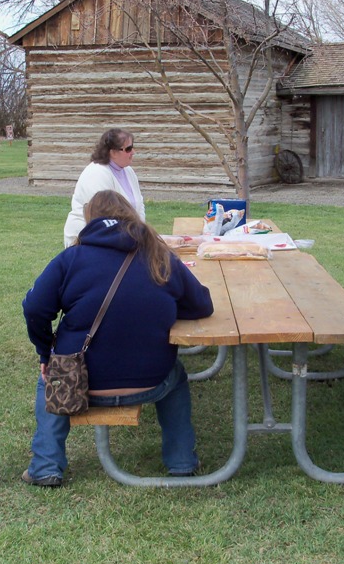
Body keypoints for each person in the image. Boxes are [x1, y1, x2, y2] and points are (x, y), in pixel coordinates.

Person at [23, 190, 213, 486]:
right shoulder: (159, 255)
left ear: (90, 220)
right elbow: (202, 305)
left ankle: (46, 466)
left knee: (52, 377)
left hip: (82, 381)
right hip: (152, 382)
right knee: (176, 379)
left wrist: (45, 354)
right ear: (130, 214)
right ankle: (181, 461)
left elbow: (34, 308)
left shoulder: (70, 258)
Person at [63, 128, 145, 247]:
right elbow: (104, 214)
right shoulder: (97, 172)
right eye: (128, 149)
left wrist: (141, 234)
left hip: (124, 237)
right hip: (88, 240)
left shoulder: (128, 171)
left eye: (132, 147)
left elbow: (139, 206)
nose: (133, 152)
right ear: (113, 152)